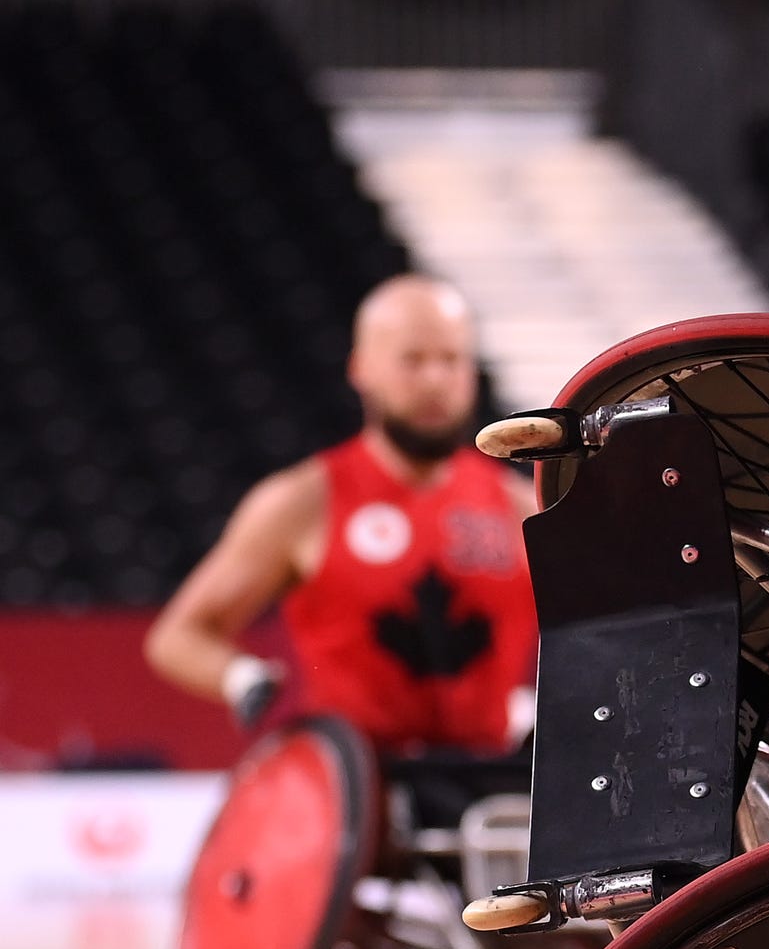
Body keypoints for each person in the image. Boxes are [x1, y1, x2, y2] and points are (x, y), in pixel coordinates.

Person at [146, 275, 537, 812]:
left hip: (493, 785)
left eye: (452, 360)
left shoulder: (522, 507)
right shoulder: (303, 501)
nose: (435, 380)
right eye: (413, 360)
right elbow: (178, 635)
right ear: (362, 369)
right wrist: (240, 677)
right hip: (361, 794)